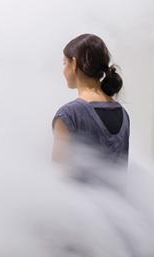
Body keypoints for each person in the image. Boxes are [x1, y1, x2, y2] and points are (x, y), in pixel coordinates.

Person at [52, 34, 129, 168]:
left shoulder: (69, 115)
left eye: (65, 63)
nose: (63, 70)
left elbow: (57, 175)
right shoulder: (123, 113)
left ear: (74, 64)